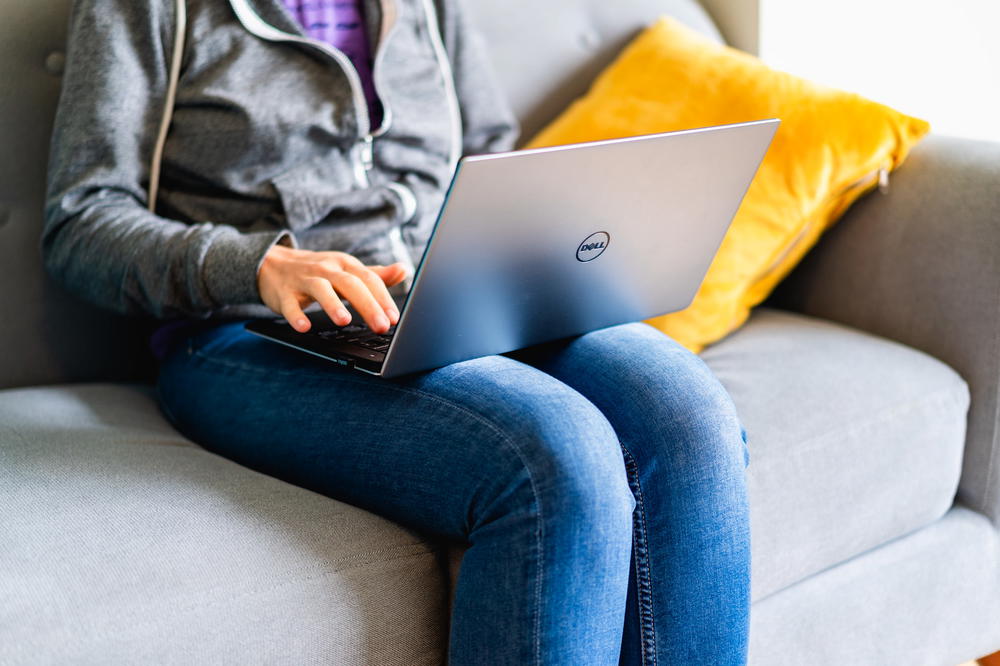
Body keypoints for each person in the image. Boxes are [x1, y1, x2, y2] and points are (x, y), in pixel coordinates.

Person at [43, 0, 752, 663]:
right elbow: (80, 223)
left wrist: (537, 247)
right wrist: (256, 265)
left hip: (451, 294)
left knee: (688, 413)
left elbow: (488, 150)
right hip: (244, 333)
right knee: (557, 455)